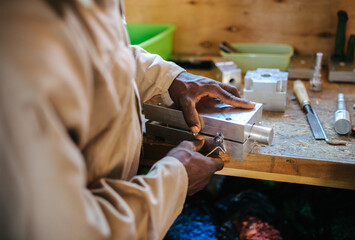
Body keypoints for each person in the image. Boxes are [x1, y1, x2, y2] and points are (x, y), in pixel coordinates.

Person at [0, 0, 254, 239]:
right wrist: (172, 183)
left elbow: (102, 52)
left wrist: (169, 79)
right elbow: (60, 230)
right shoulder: (16, 40)